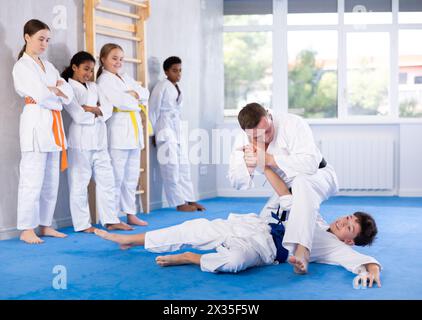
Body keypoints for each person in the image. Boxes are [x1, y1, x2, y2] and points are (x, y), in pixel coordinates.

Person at [94, 165, 381, 288]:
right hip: (251, 225)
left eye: (350, 228)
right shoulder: (312, 212)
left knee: (234, 261)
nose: (344, 222)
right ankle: (129, 240)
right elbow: (285, 194)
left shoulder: (333, 247)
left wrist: (372, 273)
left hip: (262, 249)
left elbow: (366, 263)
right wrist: (265, 165)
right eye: (348, 218)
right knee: (193, 229)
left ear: (349, 241)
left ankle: (191, 257)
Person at [228, 102, 338, 273]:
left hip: (318, 175)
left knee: (302, 184)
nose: (265, 137)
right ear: (247, 133)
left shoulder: (293, 124)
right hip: (286, 185)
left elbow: (309, 164)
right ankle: (318, 225)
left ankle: (303, 251)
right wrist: (248, 167)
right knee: (266, 223)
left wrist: (268, 159)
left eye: (268, 130)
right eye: (258, 136)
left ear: (269, 116)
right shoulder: (243, 139)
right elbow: (236, 182)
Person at [12, 19, 74, 244]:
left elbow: (68, 93)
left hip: (52, 125)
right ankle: (26, 228)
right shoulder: (22, 66)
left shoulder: (48, 66)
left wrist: (55, 90)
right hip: (35, 123)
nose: (44, 44)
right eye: (40, 39)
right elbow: (41, 95)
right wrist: (54, 92)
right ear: (27, 37)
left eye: (47, 40)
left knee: (51, 180)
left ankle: (46, 225)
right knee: (31, 179)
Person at [62, 51, 135, 233]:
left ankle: (110, 219)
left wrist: (92, 110)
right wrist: (96, 111)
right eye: (85, 69)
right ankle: (82, 224)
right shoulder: (67, 87)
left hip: (100, 141)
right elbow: (78, 115)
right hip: (80, 143)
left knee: (107, 181)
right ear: (74, 67)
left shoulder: (94, 86)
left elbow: (109, 109)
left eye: (91, 70)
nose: (89, 74)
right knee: (79, 184)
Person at [96, 43, 149, 226]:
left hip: (134, 132)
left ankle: (130, 212)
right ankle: (112, 217)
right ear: (103, 59)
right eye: (114, 58)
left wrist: (135, 93)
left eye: (121, 59)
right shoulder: (104, 80)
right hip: (118, 131)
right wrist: (135, 97)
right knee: (116, 177)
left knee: (131, 176)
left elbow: (145, 93)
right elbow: (122, 101)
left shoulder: (125, 77)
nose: (118, 62)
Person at [148, 56, 205, 212]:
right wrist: (152, 133)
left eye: (180, 70)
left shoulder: (177, 87)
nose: (178, 74)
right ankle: (179, 203)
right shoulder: (161, 86)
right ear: (166, 71)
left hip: (177, 129)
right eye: (174, 70)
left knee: (184, 165)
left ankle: (190, 199)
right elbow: (152, 111)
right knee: (170, 166)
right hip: (164, 129)